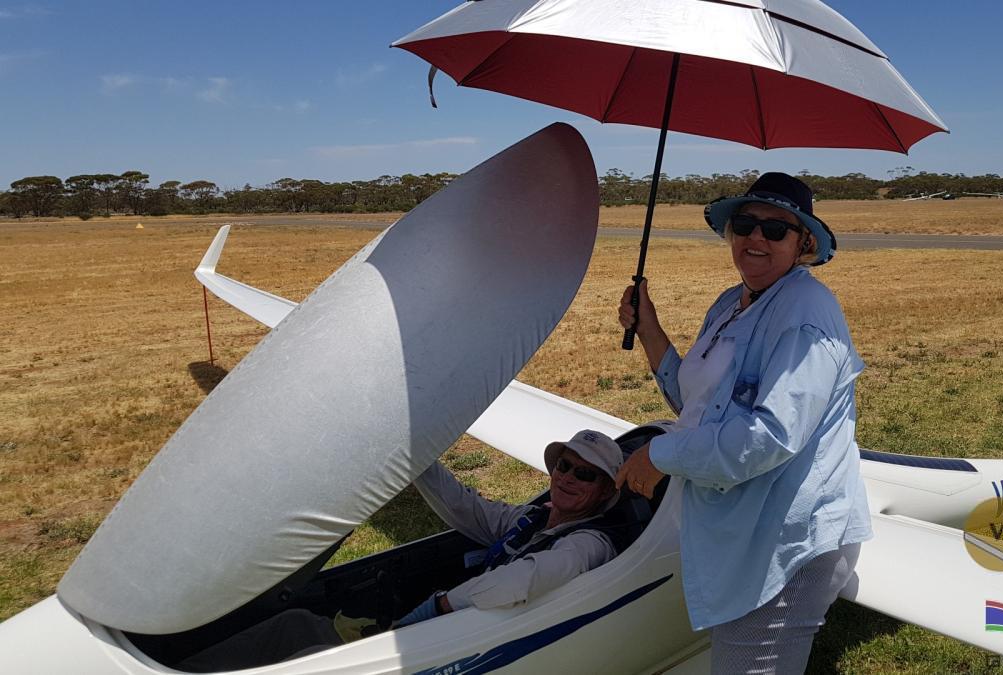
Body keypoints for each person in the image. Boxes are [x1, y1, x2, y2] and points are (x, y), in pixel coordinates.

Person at [615, 172, 872, 674]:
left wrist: (659, 456)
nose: (756, 237)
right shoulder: (731, 303)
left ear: (803, 244)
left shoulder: (804, 314)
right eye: (745, 224)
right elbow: (699, 408)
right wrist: (649, 329)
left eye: (776, 229)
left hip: (788, 542)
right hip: (747, 527)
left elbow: (768, 437)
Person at [178, 430, 628, 672]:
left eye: (585, 475)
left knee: (310, 664)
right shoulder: (532, 519)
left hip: (452, 646)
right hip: (437, 632)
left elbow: (520, 580)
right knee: (294, 623)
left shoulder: (588, 544)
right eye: (564, 465)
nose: (567, 477)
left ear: (607, 491)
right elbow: (463, 507)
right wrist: (414, 455)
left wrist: (436, 607)